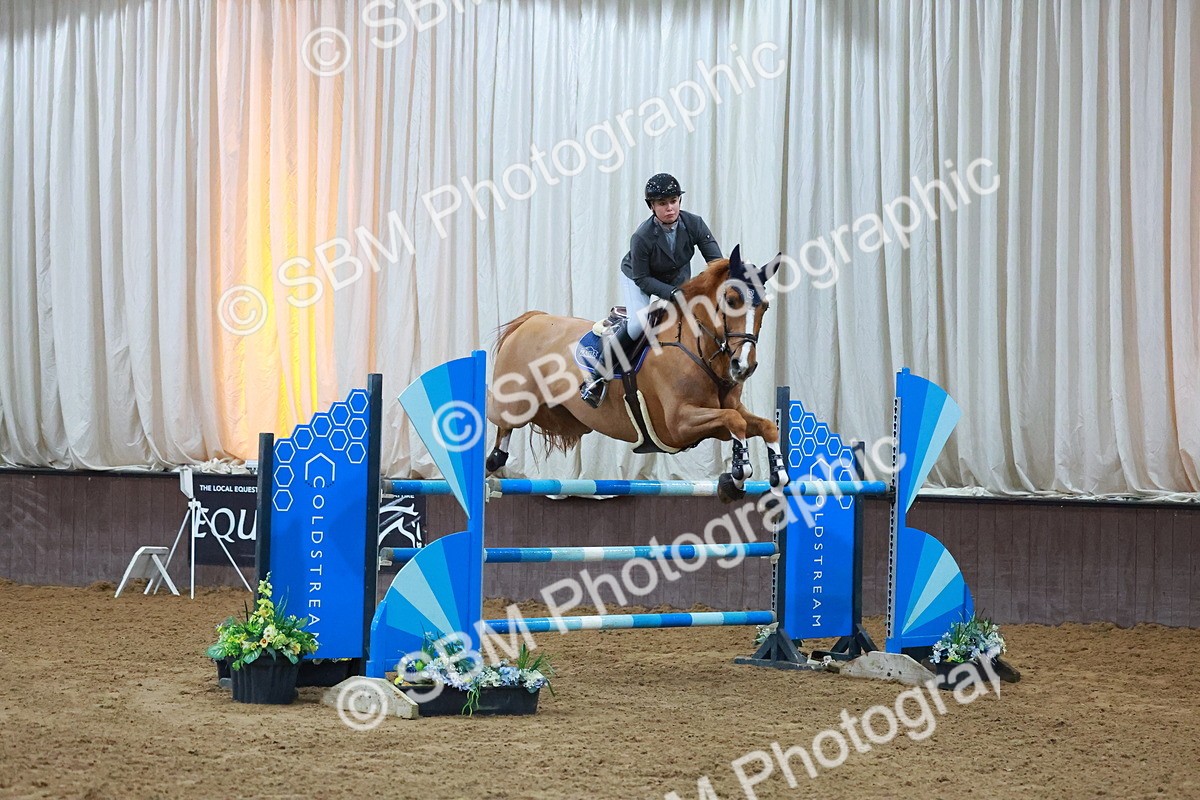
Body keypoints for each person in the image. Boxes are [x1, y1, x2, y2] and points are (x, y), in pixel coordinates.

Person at [580, 173, 723, 407]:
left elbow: (716, 264)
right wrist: (673, 293)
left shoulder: (695, 223)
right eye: (662, 203)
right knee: (638, 323)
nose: (670, 208)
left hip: (675, 276)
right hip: (639, 276)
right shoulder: (642, 236)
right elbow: (643, 278)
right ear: (652, 207)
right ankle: (596, 376)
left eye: (674, 201)